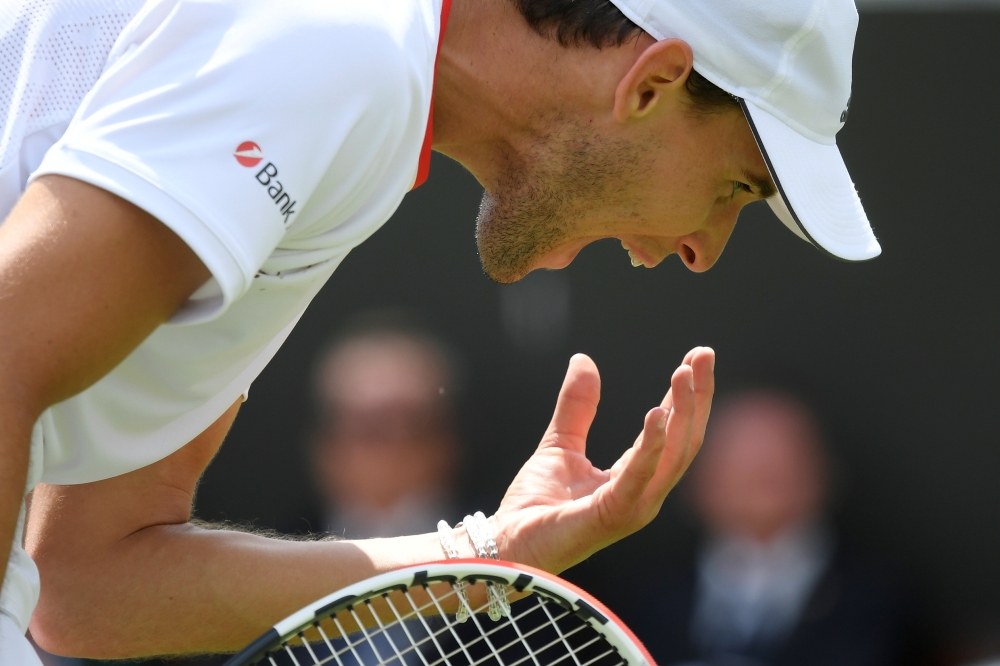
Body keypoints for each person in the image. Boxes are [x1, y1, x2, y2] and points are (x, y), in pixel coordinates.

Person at [0, 0, 880, 661]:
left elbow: (83, 582)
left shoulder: (364, 91)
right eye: (736, 189)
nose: (704, 251)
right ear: (651, 84)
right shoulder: (351, 47)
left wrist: (484, 557)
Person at [622, 390, 927, 666]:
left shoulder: (881, 599)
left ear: (824, 473)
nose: (762, 468)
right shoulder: (648, 597)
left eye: (782, 452)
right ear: (694, 479)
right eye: (742, 454)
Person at [305, 320, 461, 539]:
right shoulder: (270, 556)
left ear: (445, 440)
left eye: (412, 423)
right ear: (326, 445)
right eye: (370, 429)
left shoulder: (505, 548)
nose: (392, 447)